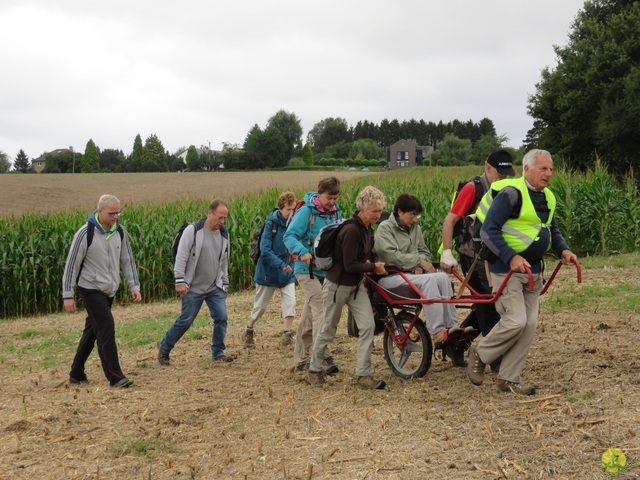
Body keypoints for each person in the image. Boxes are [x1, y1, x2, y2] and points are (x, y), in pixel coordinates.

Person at [467, 149, 577, 395]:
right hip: (505, 270)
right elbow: (489, 231)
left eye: (550, 169)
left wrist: (564, 251)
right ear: (527, 169)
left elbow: (550, 229)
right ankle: (480, 352)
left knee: (529, 326)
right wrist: (511, 256)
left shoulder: (547, 197)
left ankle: (509, 378)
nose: (548, 174)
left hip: (533, 271)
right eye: (543, 169)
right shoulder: (510, 194)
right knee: (516, 320)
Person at [306, 186, 388, 389]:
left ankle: (363, 375)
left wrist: (372, 264)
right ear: (361, 207)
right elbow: (351, 264)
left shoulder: (366, 228)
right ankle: (314, 370)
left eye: (380, 211)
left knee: (368, 326)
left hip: (355, 286)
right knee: (328, 330)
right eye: (374, 211)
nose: (378, 215)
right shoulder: (352, 230)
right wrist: (373, 268)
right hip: (337, 286)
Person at [440, 150, 515, 370]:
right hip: (472, 256)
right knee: (487, 304)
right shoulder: (473, 189)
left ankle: (457, 345)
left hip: (495, 255)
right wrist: (446, 252)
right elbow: (450, 220)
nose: (502, 177)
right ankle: (494, 359)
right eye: (499, 173)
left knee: (490, 304)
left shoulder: (508, 189)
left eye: (506, 173)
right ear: (488, 168)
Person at [374, 193, 466, 365]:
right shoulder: (385, 228)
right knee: (430, 281)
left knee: (442, 278)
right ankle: (437, 332)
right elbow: (390, 256)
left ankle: (451, 327)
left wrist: (421, 262)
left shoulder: (414, 228)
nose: (415, 219)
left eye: (417, 215)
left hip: (411, 275)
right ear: (400, 212)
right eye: (412, 215)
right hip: (390, 277)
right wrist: (417, 261)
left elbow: (424, 251)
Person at [62, 194, 141, 388]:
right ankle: (115, 376)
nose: (116, 216)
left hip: (109, 289)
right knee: (106, 326)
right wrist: (68, 295)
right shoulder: (85, 233)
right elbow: (71, 265)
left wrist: (134, 286)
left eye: (118, 212)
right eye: (111, 213)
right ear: (99, 211)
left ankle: (76, 372)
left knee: (93, 330)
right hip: (90, 288)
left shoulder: (120, 232)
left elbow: (127, 261)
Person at [158, 199, 233, 365]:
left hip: (214, 286)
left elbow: (224, 261)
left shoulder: (224, 234)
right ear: (209, 213)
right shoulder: (193, 231)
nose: (222, 222)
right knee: (186, 320)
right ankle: (164, 346)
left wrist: (224, 283)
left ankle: (218, 352)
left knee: (221, 317)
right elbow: (182, 256)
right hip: (192, 287)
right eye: (219, 217)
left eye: (224, 218)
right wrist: (180, 280)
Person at [283, 176, 341, 373]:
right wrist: (302, 252)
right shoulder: (307, 211)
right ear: (319, 194)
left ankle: (300, 358)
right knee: (321, 307)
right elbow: (289, 236)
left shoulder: (335, 212)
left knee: (309, 316)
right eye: (329, 198)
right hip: (304, 268)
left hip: (324, 269)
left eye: (335, 198)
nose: (332, 202)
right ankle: (322, 356)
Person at [242, 192, 297, 348]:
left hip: (287, 271)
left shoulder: (294, 223)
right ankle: (249, 330)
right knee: (260, 307)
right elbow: (265, 250)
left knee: (291, 302)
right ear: (280, 208)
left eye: (293, 209)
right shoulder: (270, 224)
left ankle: (287, 335)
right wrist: (280, 265)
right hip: (269, 272)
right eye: (288, 209)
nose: (290, 213)